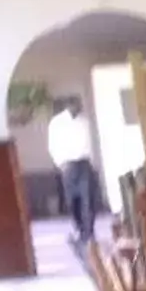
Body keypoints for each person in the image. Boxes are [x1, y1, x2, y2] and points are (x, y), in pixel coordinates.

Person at [48, 95, 101, 246]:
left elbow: (91, 143)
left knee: (88, 199)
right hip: (68, 165)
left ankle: (89, 233)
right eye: (76, 105)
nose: (79, 108)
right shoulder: (57, 123)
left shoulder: (85, 121)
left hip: (84, 163)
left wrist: (92, 162)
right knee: (73, 201)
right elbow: (52, 145)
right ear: (69, 106)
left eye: (80, 105)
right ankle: (79, 228)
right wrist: (61, 164)